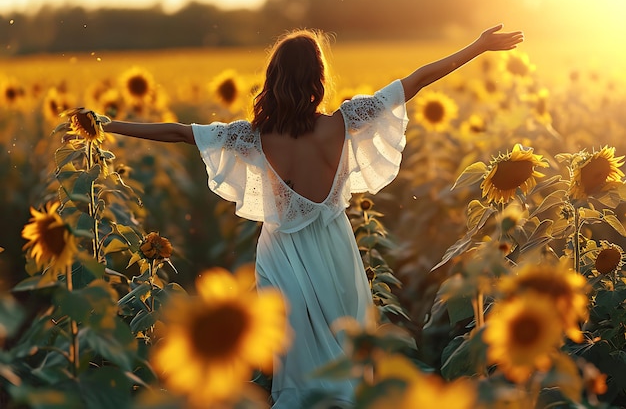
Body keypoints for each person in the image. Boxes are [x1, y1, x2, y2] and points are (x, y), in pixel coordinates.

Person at [103, 24, 523, 407]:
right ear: (317, 79)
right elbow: (417, 80)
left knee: (296, 357)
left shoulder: (250, 137)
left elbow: (177, 132)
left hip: (283, 256)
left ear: (274, 79)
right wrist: (478, 46)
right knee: (345, 352)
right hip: (337, 248)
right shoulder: (344, 123)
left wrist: (109, 125)